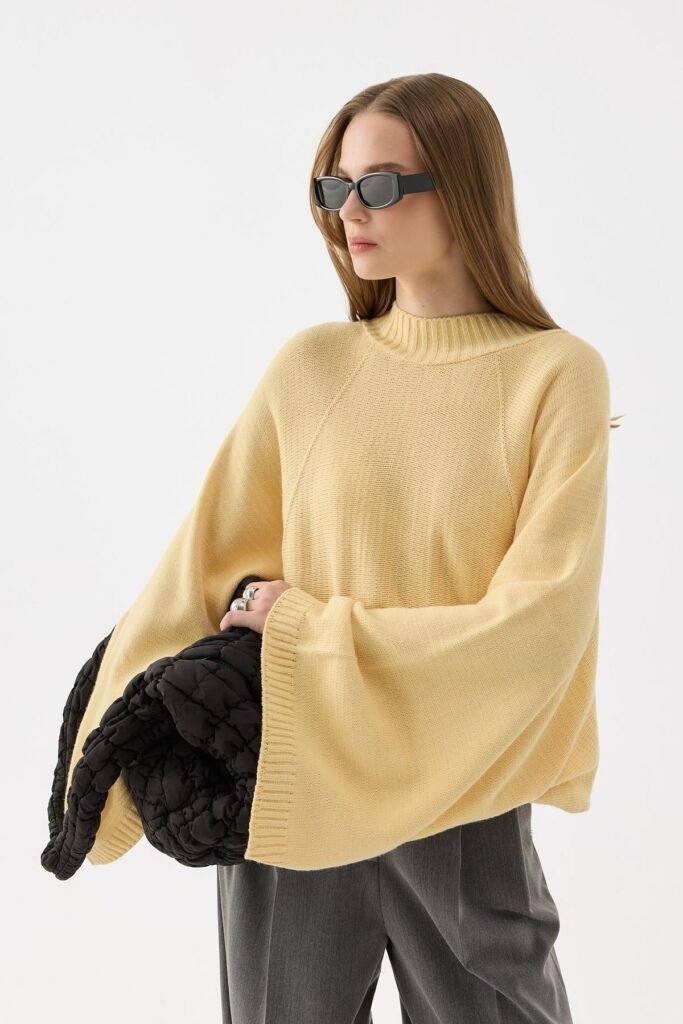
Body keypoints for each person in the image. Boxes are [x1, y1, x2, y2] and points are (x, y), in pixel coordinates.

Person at [64, 73, 617, 1023]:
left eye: (382, 185)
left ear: (465, 188)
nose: (349, 211)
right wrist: (94, 773)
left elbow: (539, 629)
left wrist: (307, 628)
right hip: (292, 782)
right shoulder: (313, 368)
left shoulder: (553, 375)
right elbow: (196, 573)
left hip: (461, 796)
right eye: (335, 186)